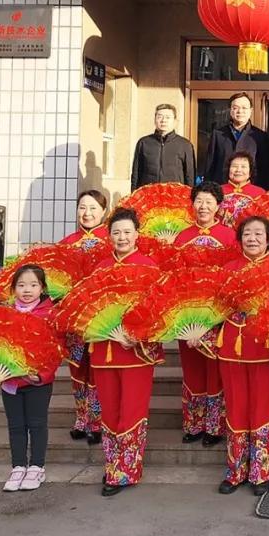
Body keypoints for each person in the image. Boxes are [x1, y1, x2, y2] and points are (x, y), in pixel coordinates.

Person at [90, 208, 162, 496]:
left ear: (137, 235)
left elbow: (157, 312)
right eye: (116, 232)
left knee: (132, 411)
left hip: (136, 354)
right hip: (103, 351)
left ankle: (127, 469)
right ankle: (112, 465)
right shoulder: (100, 269)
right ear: (109, 236)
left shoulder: (149, 268)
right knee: (109, 411)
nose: (122, 237)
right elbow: (88, 309)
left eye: (127, 232)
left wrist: (138, 336)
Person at [213, 215, 269, 496]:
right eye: (247, 234)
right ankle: (235, 471)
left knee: (262, 409)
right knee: (235, 408)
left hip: (265, 349)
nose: (252, 239)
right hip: (231, 347)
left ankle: (261, 472)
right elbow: (212, 309)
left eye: (258, 234)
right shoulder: (227, 270)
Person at [172, 181, 238, 447]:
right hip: (188, 314)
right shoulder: (182, 237)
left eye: (209, 202)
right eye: (199, 201)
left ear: (218, 206)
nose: (203, 206)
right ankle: (193, 424)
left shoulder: (229, 236)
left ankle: (214, 426)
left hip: (216, 314)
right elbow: (174, 276)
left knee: (215, 370)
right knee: (192, 369)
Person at [0, 264, 57, 492]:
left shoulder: (50, 315)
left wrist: (40, 375)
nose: (27, 290)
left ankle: (37, 467)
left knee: (37, 424)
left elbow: (55, 351)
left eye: (33, 285)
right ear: (13, 289)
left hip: (37, 382)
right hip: (11, 382)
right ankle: (18, 466)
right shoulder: (3, 315)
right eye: (21, 285)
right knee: (16, 426)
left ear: (42, 288)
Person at [57, 190, 108, 445]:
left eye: (93, 208)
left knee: (97, 369)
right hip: (74, 319)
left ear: (104, 211)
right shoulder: (67, 243)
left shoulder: (112, 240)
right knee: (77, 369)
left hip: (101, 318)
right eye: (82, 208)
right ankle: (81, 418)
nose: (87, 213)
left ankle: (97, 422)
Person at [199, 92, 268, 186]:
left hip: (250, 189)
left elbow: (264, 168)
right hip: (222, 188)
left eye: (244, 108)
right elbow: (210, 166)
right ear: (230, 110)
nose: (240, 111)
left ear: (251, 110)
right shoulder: (218, 134)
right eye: (235, 108)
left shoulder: (260, 136)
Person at [131, 103, 195, 189]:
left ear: (175, 121)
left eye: (168, 117)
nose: (163, 120)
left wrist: (190, 195)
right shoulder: (144, 143)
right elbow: (136, 173)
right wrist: (134, 193)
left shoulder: (185, 145)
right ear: (155, 120)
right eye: (159, 117)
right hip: (149, 193)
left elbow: (190, 175)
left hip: (174, 194)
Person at [218, 151, 266, 227]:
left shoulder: (260, 193)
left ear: (250, 172)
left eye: (243, 167)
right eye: (234, 166)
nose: (238, 170)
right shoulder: (218, 190)